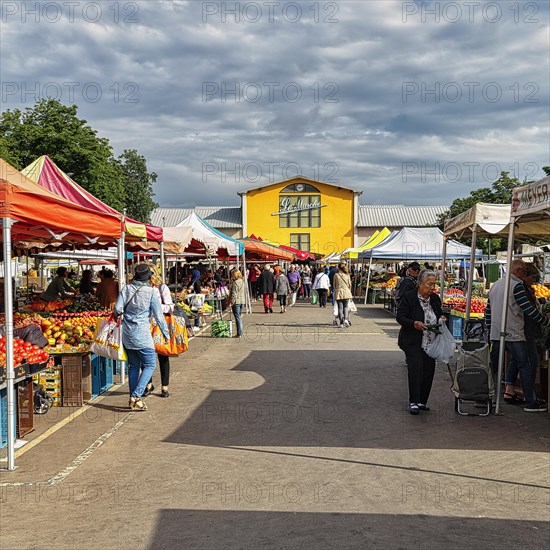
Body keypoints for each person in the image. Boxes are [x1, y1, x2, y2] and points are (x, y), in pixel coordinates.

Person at [485, 259, 549, 412]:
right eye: (524, 272)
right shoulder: (517, 286)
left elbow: (488, 310)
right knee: (525, 364)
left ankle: (490, 397)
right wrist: (546, 321)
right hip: (513, 332)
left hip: (496, 332)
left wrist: (489, 328)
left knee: (494, 366)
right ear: (518, 271)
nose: (525, 275)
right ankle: (530, 401)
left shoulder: (497, 284)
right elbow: (528, 309)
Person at [114, 264, 169, 411]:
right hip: (143, 334)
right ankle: (136, 395)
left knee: (134, 367)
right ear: (148, 278)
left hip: (127, 334)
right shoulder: (150, 292)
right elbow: (159, 316)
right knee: (150, 364)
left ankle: (133, 400)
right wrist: (166, 334)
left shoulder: (126, 289)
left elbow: (117, 309)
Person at [396, 269, 444, 415]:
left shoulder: (435, 298)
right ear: (420, 283)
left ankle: (423, 401)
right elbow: (400, 317)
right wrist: (413, 323)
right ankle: (414, 402)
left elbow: (439, 312)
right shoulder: (409, 297)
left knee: (429, 370)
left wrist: (442, 318)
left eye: (434, 284)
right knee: (416, 369)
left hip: (431, 340)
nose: (432, 287)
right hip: (413, 340)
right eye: (429, 284)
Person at [144, 273, 174, 398]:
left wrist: (156, 306)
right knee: (146, 356)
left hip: (160, 326)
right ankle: (149, 385)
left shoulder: (162, 288)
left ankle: (164, 387)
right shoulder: (143, 288)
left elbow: (170, 307)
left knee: (162, 355)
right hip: (146, 325)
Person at [333, 262, 353, 328]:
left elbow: (334, 285)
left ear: (338, 268)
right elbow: (350, 285)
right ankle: (346, 320)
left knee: (340, 308)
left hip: (339, 292)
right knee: (346, 307)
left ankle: (341, 323)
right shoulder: (347, 275)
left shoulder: (336, 275)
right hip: (346, 292)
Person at [229, 269, 246, 337]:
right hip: (242, 300)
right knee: (239, 317)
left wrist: (231, 302)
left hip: (236, 301)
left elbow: (234, 293)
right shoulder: (242, 281)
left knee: (237, 317)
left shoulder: (235, 282)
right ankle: (240, 332)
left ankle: (239, 333)